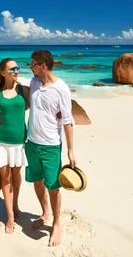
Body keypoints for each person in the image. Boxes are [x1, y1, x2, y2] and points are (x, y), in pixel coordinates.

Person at [25, 50, 76, 247]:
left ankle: (56, 224)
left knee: (53, 187)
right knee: (37, 182)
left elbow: (68, 120)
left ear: (43, 66)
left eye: (33, 64)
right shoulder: (34, 82)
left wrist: (71, 150)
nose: (31, 67)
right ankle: (45, 213)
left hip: (51, 146)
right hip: (32, 143)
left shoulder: (61, 88)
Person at [0, 58, 30, 234]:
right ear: (3, 73)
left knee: (16, 175)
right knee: (6, 179)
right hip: (1, 141)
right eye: (12, 69)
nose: (16, 71)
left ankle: (15, 202)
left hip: (19, 142)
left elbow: (35, 107)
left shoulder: (24, 90)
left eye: (17, 68)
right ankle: (10, 215)